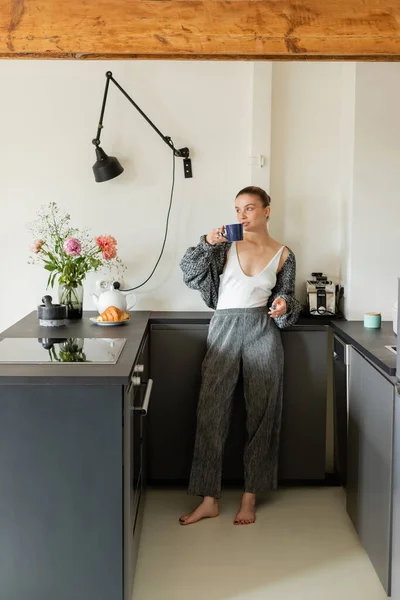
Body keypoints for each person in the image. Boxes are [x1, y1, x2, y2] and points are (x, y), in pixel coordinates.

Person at [178, 186, 301, 526]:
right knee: (211, 411)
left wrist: (284, 305)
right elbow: (188, 271)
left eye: (249, 208)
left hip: (263, 331)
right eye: (237, 210)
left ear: (267, 210)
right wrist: (207, 242)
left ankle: (250, 497)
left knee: (263, 414)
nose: (242, 216)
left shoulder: (284, 254)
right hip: (224, 328)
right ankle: (208, 499)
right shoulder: (225, 246)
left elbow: (288, 296)